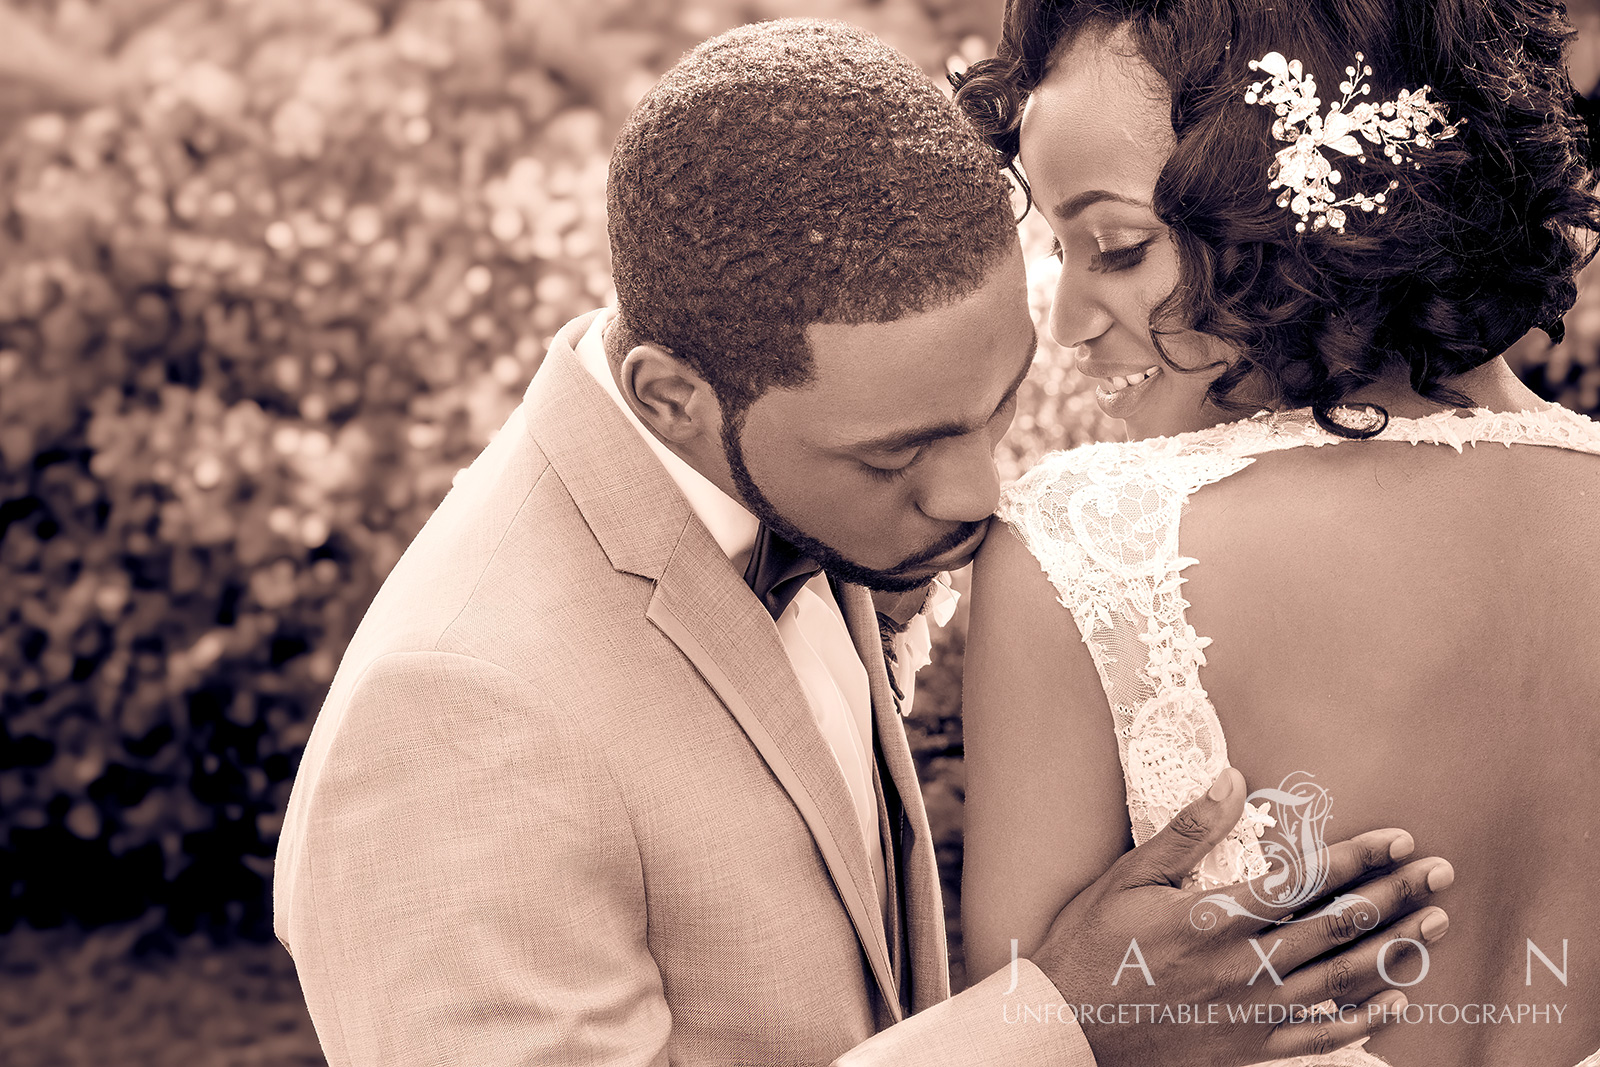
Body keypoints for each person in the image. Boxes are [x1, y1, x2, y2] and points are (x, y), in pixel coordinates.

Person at [275, 18, 1449, 1066]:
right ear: (672, 395)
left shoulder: (791, 483)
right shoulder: (457, 711)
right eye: (898, 455)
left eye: (999, 409)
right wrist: (1064, 1025)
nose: (978, 494)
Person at [955, 0, 1600, 1064]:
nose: (1064, 321)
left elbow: (1023, 1043)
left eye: (1113, 247)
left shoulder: (1089, 548)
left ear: (1307, 211)